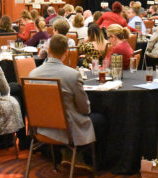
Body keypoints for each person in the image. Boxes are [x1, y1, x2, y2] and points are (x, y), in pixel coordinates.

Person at [29, 34, 105, 163]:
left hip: (41, 129)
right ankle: (84, 160)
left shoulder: (33, 74)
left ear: (48, 50)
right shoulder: (72, 75)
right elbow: (84, 108)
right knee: (100, 119)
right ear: (66, 52)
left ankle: (62, 154)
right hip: (67, 131)